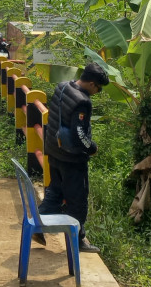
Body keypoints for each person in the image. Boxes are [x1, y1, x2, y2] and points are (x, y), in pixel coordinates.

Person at [34, 62, 109, 254]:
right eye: (98, 88)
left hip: (54, 152)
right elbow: (79, 135)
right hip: (72, 159)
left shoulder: (62, 86)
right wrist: (92, 148)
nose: (97, 92)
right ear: (92, 83)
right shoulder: (82, 102)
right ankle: (78, 240)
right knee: (78, 200)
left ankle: (36, 226)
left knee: (56, 193)